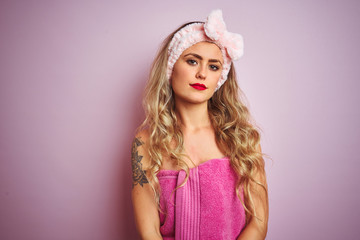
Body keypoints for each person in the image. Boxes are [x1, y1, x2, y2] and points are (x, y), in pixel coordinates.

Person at [131, 9, 268, 240]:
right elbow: (149, 231)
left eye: (213, 66)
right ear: (171, 67)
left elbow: (259, 223)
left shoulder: (242, 138)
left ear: (220, 78)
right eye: (192, 61)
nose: (202, 73)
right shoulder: (145, 143)